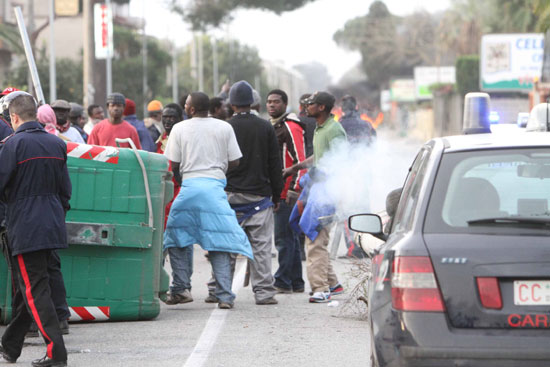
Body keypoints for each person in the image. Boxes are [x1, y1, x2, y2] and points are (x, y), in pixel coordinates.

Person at [163, 92, 252, 310]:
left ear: (191, 109)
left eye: (186, 105)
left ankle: (181, 288)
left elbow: (173, 162)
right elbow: (235, 161)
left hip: (189, 189)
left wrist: (183, 177)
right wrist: (218, 169)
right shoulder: (224, 127)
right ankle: (224, 296)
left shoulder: (179, 128)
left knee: (176, 238)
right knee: (219, 241)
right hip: (214, 190)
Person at [0, 91, 70, 367]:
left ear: (14, 117)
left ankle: (56, 352)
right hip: (51, 224)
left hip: (25, 227)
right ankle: (11, 345)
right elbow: (65, 191)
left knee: (33, 290)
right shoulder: (57, 144)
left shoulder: (12, 145)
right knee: (27, 288)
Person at [284, 91, 346, 303]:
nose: (306, 107)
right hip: (316, 191)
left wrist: (324, 175)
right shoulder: (321, 129)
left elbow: (341, 162)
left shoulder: (334, 130)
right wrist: (296, 167)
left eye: (310, 104)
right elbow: (319, 157)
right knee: (316, 238)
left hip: (327, 194)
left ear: (321, 108)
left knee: (315, 241)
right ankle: (333, 284)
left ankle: (321, 289)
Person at [226, 80, 283, 305]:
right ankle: (264, 293)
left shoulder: (226, 127)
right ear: (253, 102)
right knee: (261, 248)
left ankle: (219, 291)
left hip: (229, 197)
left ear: (231, 104)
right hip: (259, 198)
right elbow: (274, 164)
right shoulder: (265, 127)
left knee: (227, 247)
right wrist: (277, 195)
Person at [266, 89, 306, 293]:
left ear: (284, 104)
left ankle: (282, 280)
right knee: (289, 237)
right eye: (269, 102)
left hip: (287, 192)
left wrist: (294, 188)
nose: (272, 105)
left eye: (276, 102)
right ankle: (296, 281)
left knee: (283, 238)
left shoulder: (290, 127)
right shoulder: (276, 126)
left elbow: (300, 160)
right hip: (280, 191)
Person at [156, 103, 184, 228]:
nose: (167, 120)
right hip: (162, 194)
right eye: (165, 117)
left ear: (180, 119)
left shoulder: (183, 139)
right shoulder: (161, 139)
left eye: (172, 117)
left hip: (178, 193)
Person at [298, 94, 316, 158]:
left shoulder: (295, 121)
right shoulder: (320, 121)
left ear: (300, 107)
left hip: (301, 161)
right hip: (319, 160)